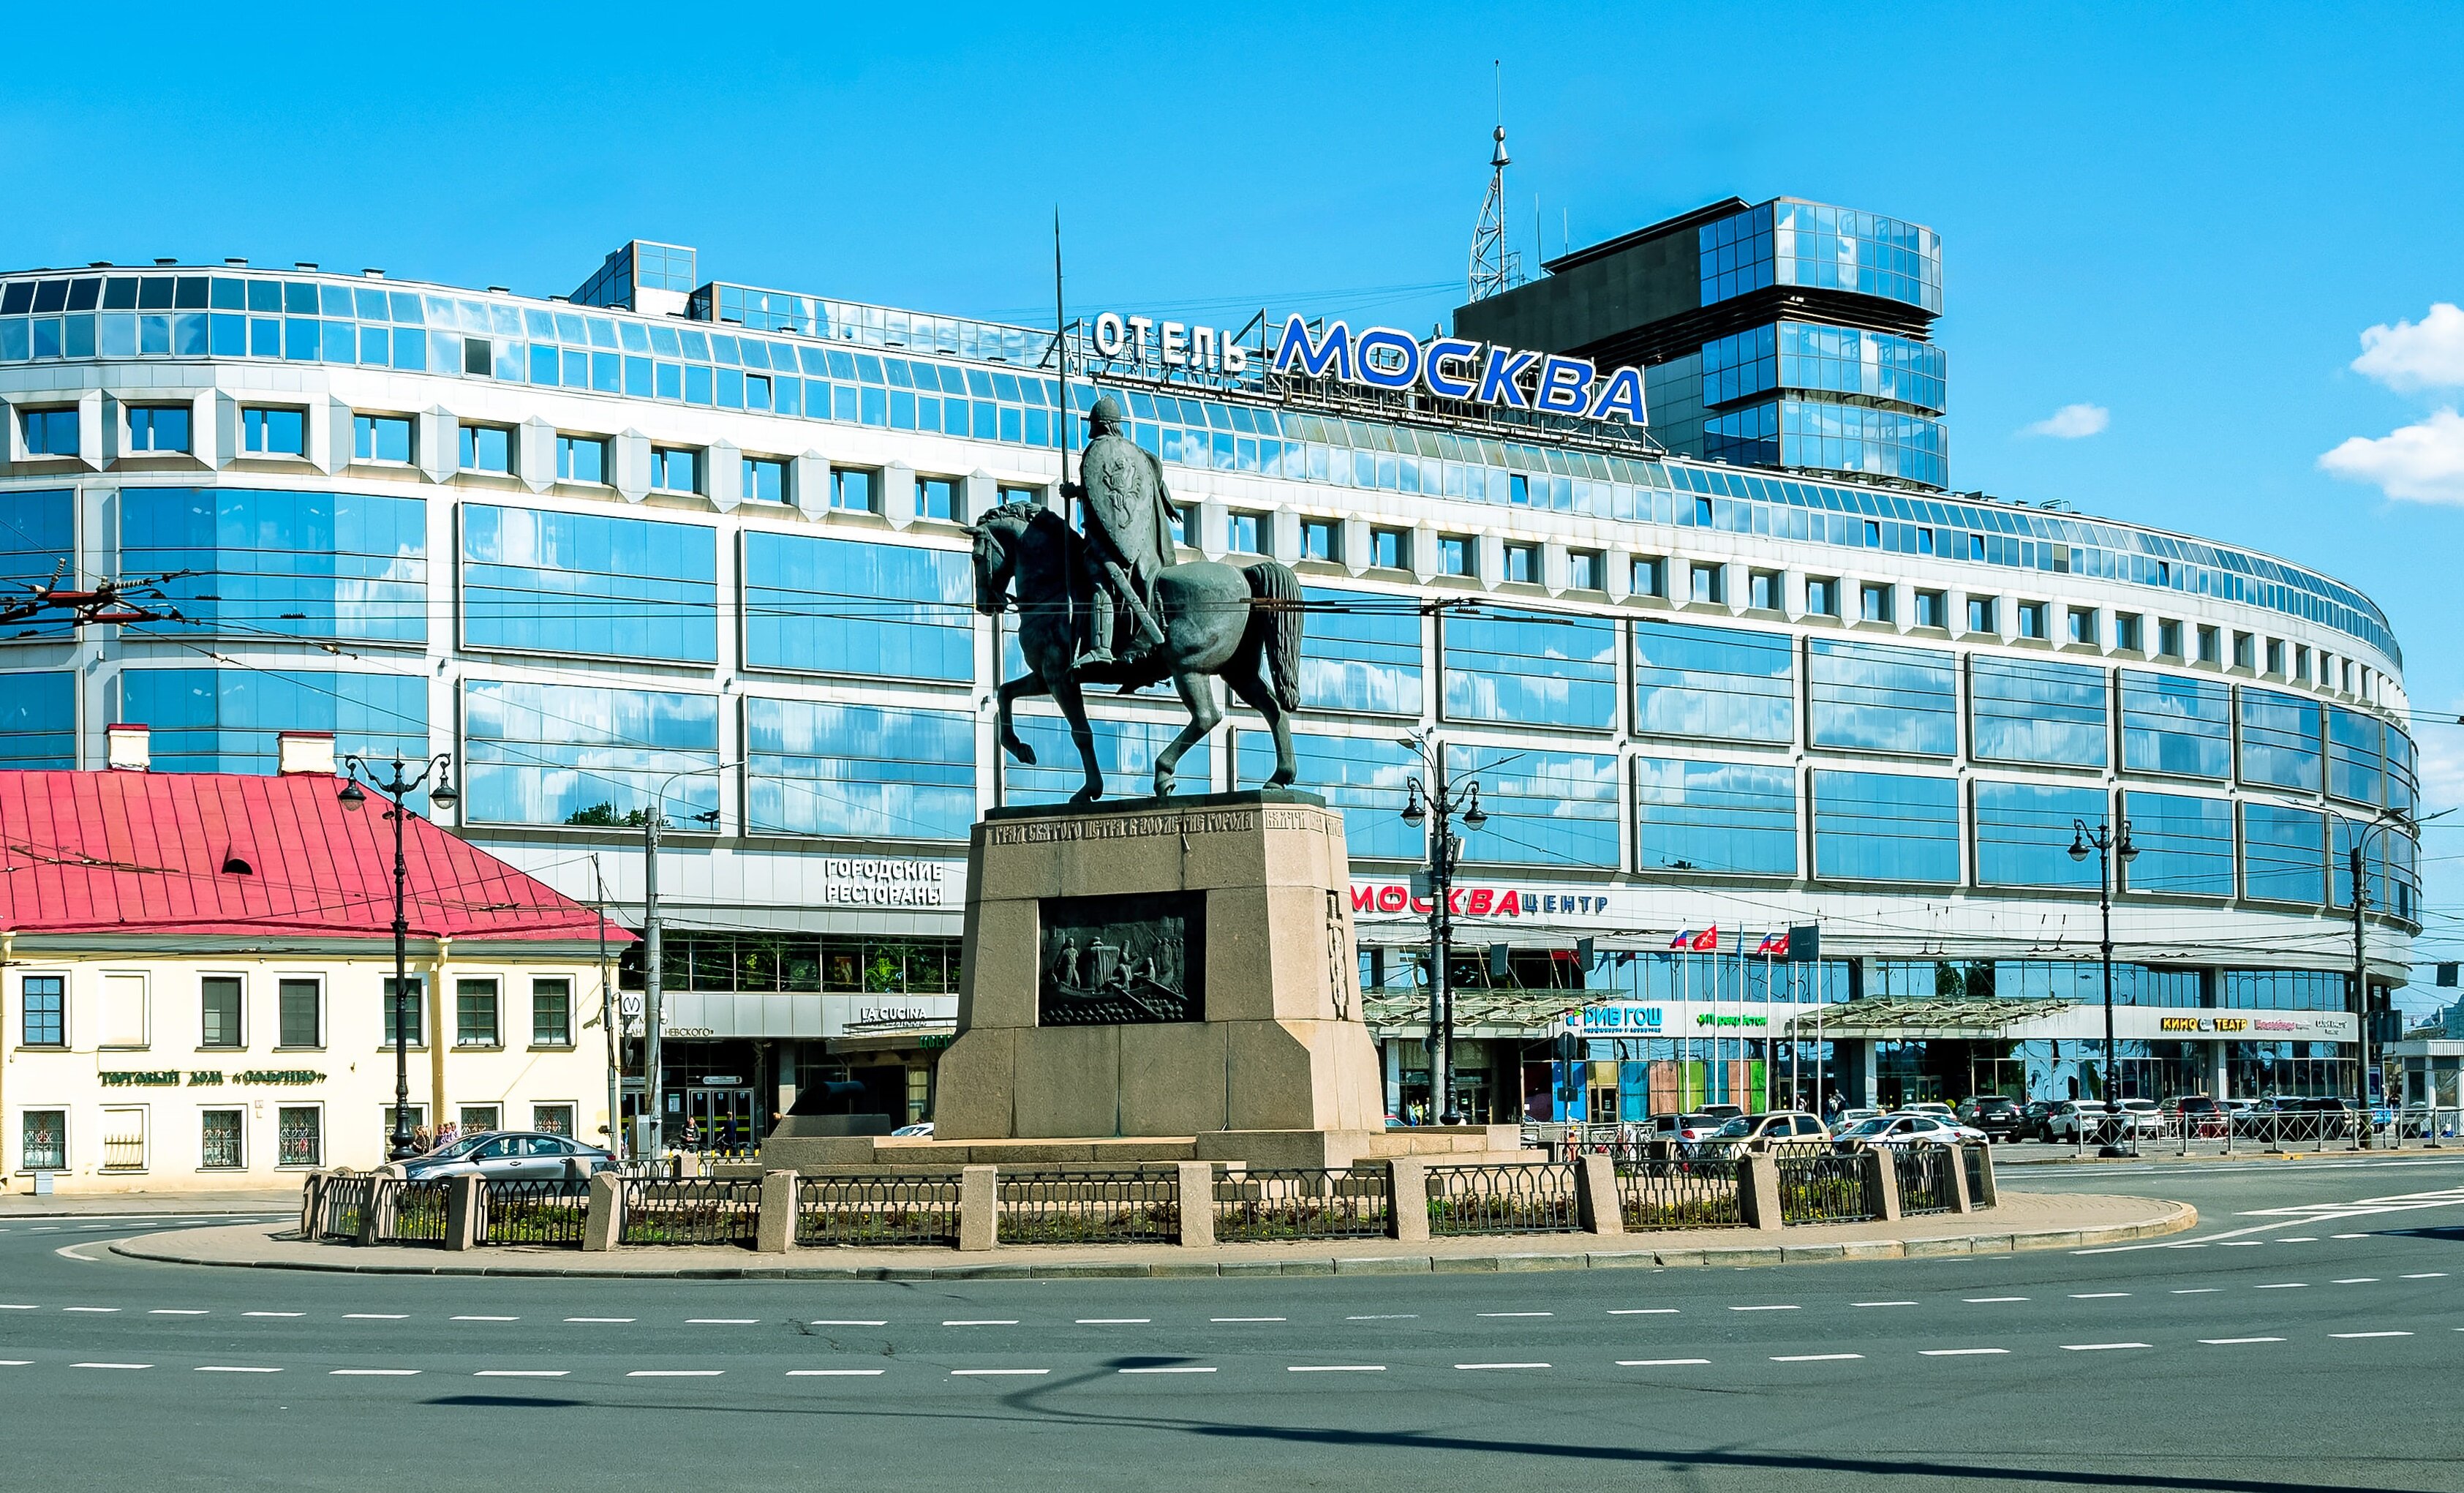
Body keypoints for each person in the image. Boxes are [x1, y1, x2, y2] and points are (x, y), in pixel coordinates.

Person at [1059, 394, 1178, 669]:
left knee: (1097, 580)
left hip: (1109, 546)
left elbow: (1103, 499)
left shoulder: (1098, 450)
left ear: (1098, 424)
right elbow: (1106, 494)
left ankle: (1101, 647)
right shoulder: (1136, 454)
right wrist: (1077, 491)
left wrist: (1075, 493)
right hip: (1134, 546)